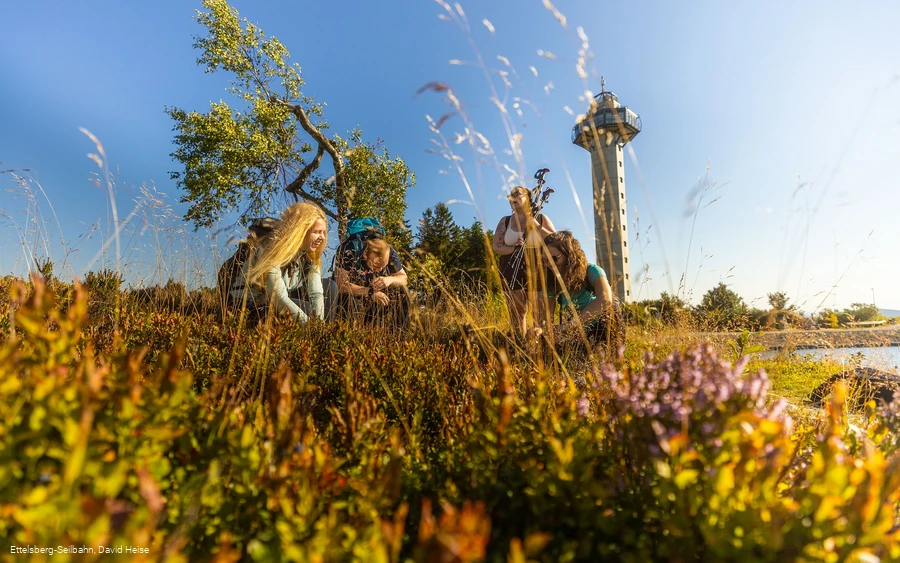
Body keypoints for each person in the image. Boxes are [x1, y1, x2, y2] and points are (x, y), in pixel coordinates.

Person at [229, 202, 327, 325]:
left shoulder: (309, 255)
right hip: (247, 304)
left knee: (330, 286)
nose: (322, 237)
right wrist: (309, 325)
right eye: (317, 232)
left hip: (272, 300)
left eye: (323, 232)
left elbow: (316, 294)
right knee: (305, 309)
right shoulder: (272, 247)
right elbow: (278, 296)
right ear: (301, 230)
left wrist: (320, 325)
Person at [536, 230, 624, 352]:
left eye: (554, 258)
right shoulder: (551, 280)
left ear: (569, 256)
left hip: (602, 327)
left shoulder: (592, 270)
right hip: (576, 331)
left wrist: (570, 325)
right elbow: (546, 317)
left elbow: (606, 299)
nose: (549, 265)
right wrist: (540, 330)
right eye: (544, 260)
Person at [492, 185, 556, 338]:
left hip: (538, 269)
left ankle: (541, 346)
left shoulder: (540, 217)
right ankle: (519, 346)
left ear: (528, 198)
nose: (512, 197)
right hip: (511, 269)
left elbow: (555, 240)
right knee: (517, 312)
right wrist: (513, 248)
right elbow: (496, 245)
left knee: (539, 313)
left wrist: (535, 225)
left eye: (517, 194)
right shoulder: (505, 221)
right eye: (510, 196)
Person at [334, 236, 410, 330]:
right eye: (376, 266)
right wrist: (370, 292)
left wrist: (389, 280)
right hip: (354, 297)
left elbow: (403, 278)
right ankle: (350, 333)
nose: (379, 270)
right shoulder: (349, 249)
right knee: (349, 301)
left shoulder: (390, 252)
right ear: (365, 254)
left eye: (383, 266)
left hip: (376, 300)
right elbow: (341, 285)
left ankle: (398, 334)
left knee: (403, 292)